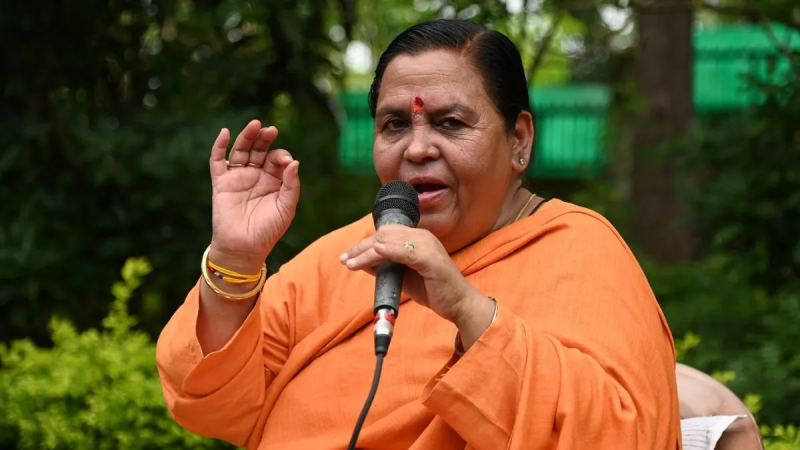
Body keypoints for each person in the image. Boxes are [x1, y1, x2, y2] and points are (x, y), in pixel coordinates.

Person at [156, 19, 682, 450]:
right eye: (395, 125)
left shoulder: (579, 250)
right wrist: (236, 259)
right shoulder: (346, 255)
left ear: (519, 140)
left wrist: (470, 311)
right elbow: (211, 405)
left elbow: (624, 436)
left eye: (450, 123)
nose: (417, 148)